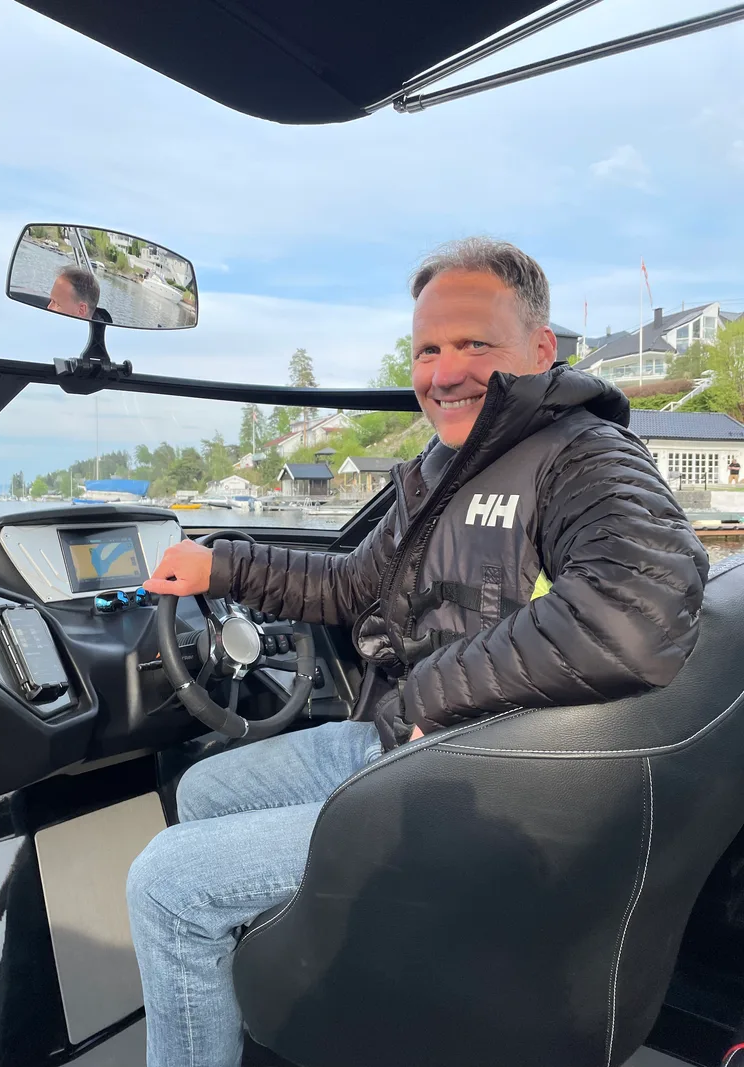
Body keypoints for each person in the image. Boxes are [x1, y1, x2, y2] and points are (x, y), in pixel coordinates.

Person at [127, 237, 709, 1067]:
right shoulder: (443, 466)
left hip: (480, 783)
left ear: (541, 348)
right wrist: (223, 566)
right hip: (405, 743)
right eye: (427, 350)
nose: (445, 372)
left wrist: (428, 694)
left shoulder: (585, 452)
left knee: (164, 884)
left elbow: (633, 610)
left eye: (474, 343)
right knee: (204, 786)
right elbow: (351, 583)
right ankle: (285, 986)